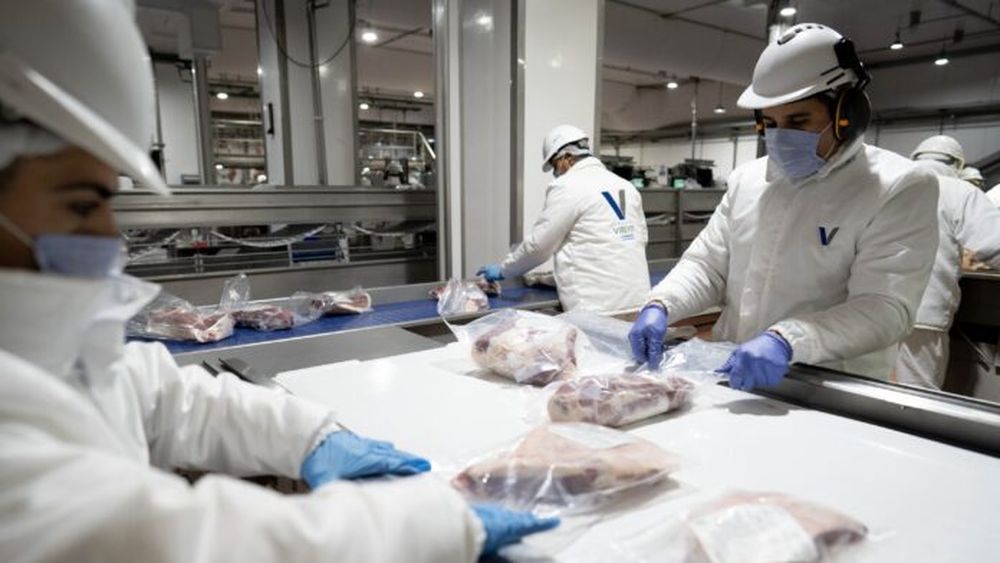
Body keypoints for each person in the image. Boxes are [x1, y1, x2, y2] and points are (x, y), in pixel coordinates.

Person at [0, 2, 556, 562]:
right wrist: (428, 528)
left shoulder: (40, 353)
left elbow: (155, 397)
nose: (108, 238)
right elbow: (162, 543)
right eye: (80, 203)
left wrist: (308, 435)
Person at [629, 23, 939, 390]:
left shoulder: (897, 186)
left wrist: (788, 340)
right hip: (731, 370)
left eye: (798, 120)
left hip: (827, 385)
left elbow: (884, 308)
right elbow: (708, 266)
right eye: (771, 123)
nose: (781, 136)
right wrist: (662, 304)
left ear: (847, 113)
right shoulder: (748, 180)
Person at [477, 125, 650, 313]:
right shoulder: (626, 186)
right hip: (638, 302)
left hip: (597, 307)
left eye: (554, 165)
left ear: (567, 157)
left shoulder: (568, 185)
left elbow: (539, 246)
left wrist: (504, 270)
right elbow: (640, 239)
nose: (555, 172)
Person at [895, 158, 1000, 388]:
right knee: (916, 396)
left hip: (871, 311)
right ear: (957, 166)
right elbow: (995, 246)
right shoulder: (957, 191)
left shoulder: (889, 183)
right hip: (925, 313)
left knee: (868, 391)